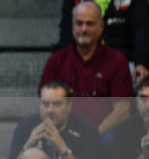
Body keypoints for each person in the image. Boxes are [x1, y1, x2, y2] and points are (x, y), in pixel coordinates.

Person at [40, 1, 132, 132]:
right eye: (79, 23)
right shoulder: (56, 62)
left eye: (90, 24)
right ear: (72, 26)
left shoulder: (117, 62)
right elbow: (46, 107)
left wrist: (93, 138)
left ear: (101, 26)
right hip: (63, 134)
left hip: (103, 136)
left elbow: (122, 111)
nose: (84, 29)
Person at [59, 0, 149, 81]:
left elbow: (141, 29)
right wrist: (68, 61)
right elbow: (67, 31)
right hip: (82, 58)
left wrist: (141, 63)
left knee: (138, 79)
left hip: (123, 58)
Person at [113, 76, 149, 159]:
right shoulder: (125, 129)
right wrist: (144, 157)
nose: (148, 106)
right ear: (137, 102)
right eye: (143, 99)